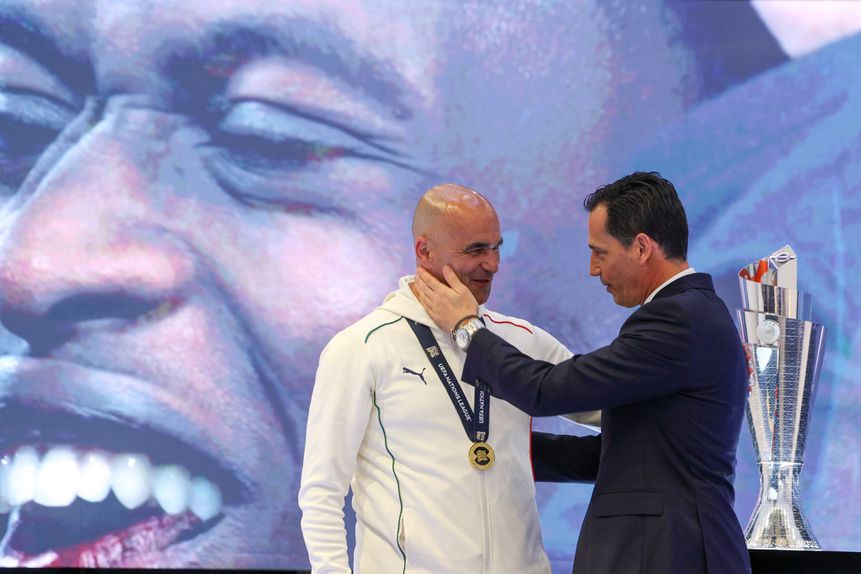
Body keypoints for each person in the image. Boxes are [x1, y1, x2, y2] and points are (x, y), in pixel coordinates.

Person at [0, 0, 787, 568]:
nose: (33, 259)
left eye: (269, 133)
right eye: (18, 122)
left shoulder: (655, 332)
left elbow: (581, 406)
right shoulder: (367, 355)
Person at [415, 172, 751, 573]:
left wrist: (467, 328)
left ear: (642, 247)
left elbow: (547, 390)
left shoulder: (679, 319)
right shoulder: (694, 315)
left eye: (600, 252)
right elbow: (627, 454)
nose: (593, 269)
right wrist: (494, 446)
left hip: (665, 553)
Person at [299, 183, 597, 573]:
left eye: (496, 247)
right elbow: (322, 490)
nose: (492, 264)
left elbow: (605, 409)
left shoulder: (523, 340)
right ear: (424, 251)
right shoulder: (362, 346)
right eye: (475, 250)